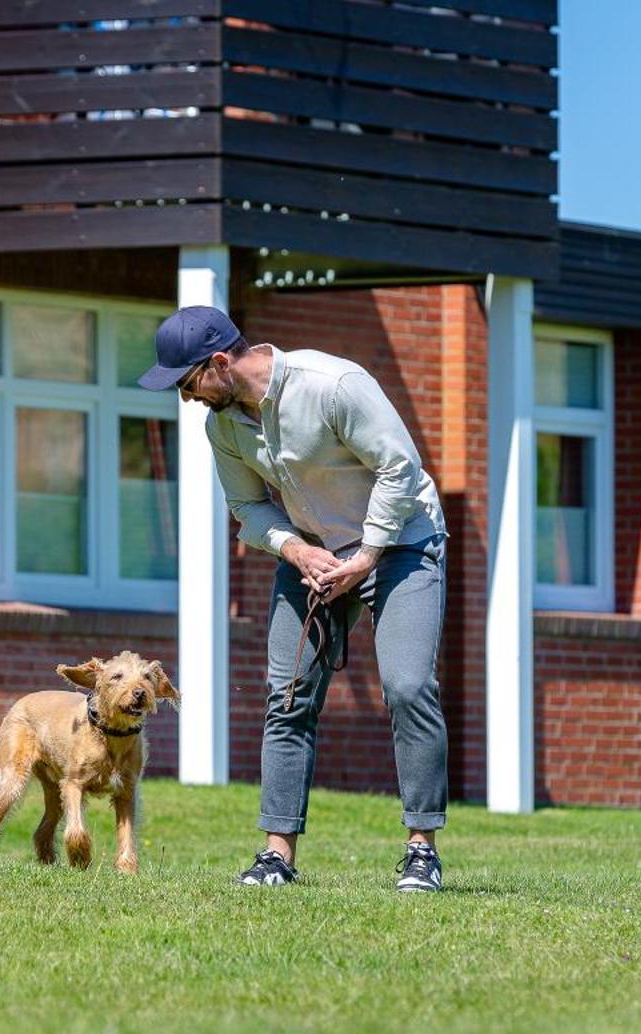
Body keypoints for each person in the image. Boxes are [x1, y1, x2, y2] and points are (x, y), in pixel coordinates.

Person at [138, 305, 450, 892]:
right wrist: (296, 551)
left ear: (221, 363)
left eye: (188, 384)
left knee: (408, 686)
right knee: (287, 695)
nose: (187, 399)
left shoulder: (333, 385)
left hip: (403, 540)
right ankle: (277, 856)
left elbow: (398, 468)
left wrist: (365, 558)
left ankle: (421, 850)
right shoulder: (223, 425)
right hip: (314, 554)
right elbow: (248, 507)